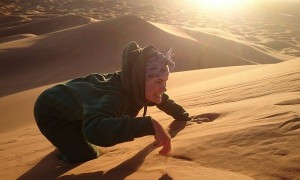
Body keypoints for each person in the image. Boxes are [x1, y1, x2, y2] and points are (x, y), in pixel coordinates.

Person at [34, 41, 191, 163]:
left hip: (81, 104)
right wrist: (149, 125)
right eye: (158, 81)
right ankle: (65, 148)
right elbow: (95, 131)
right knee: (86, 155)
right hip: (51, 110)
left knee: (86, 126)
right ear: (139, 80)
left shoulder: (137, 87)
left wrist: (181, 114)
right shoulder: (116, 97)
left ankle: (70, 140)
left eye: (165, 81)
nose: (164, 88)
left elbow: (163, 100)